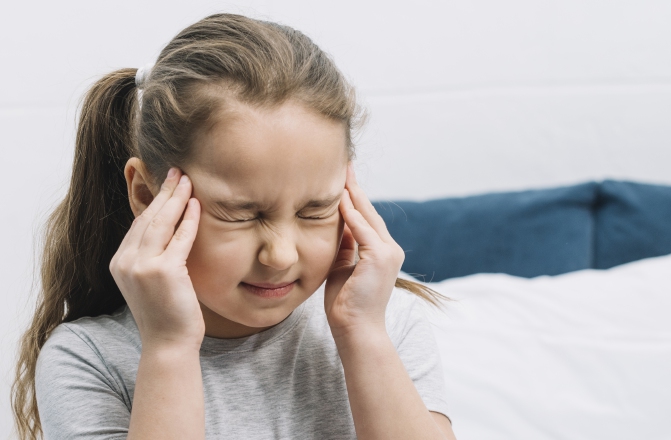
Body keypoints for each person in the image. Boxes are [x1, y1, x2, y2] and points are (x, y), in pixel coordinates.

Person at [11, 13, 455, 440]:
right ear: (148, 197)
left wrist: (362, 335)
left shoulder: (387, 321)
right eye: (242, 214)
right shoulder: (89, 359)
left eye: (315, 210)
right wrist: (170, 347)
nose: (280, 255)